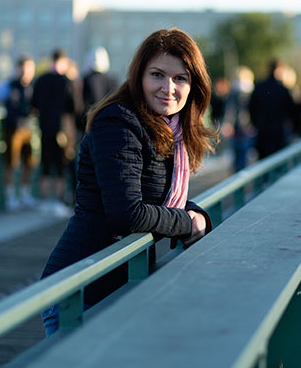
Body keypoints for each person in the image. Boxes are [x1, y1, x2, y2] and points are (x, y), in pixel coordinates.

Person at [40, 28, 216, 336]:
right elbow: (128, 212)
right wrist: (187, 223)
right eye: (157, 75)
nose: (168, 88)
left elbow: (154, 197)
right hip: (81, 289)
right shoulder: (118, 122)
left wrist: (196, 213)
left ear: (194, 85)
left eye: (180, 78)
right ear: (139, 76)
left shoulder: (172, 131)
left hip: (121, 285)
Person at [31, 49, 75, 216]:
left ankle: (44, 200)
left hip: (44, 128)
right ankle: (58, 200)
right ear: (63, 61)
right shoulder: (67, 81)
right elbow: (74, 108)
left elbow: (33, 105)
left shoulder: (40, 80)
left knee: (45, 165)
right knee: (60, 166)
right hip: (62, 131)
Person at [1, 56, 38, 210]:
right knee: (11, 163)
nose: (26, 73)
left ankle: (25, 194)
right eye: (23, 69)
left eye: (29, 69)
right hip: (13, 129)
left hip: (29, 130)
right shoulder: (10, 85)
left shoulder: (34, 87)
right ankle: (10, 197)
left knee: (29, 162)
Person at [249, 59, 296, 159]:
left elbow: (251, 108)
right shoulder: (283, 90)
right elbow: (292, 111)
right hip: (279, 133)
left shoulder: (259, 87)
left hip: (263, 131)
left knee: (263, 163)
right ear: (279, 70)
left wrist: (256, 124)